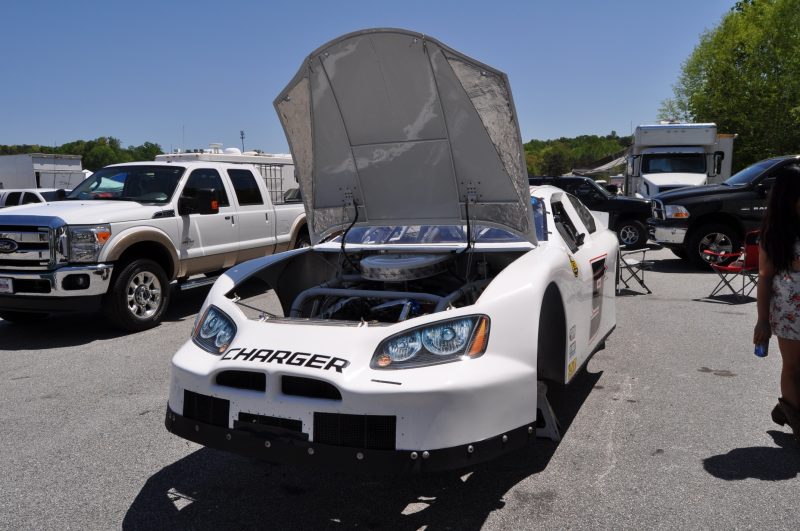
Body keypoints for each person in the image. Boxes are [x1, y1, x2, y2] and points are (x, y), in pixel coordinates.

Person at [754, 163, 800, 443]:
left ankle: (787, 408)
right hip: (789, 313)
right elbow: (764, 276)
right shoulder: (773, 235)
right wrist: (762, 320)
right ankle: (797, 424)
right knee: (793, 367)